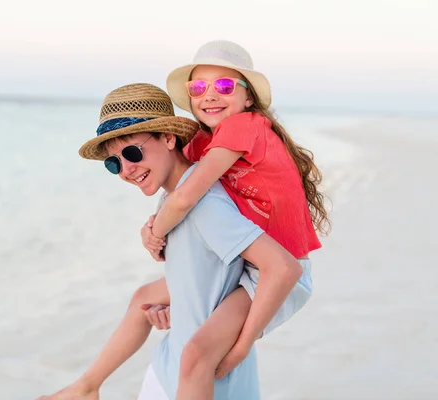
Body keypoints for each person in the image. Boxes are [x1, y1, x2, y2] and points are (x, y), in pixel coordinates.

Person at [38, 82, 303, 400]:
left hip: (202, 378)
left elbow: (280, 267)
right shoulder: (171, 201)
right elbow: (207, 275)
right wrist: (176, 302)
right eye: (114, 163)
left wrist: (241, 345)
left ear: (167, 138)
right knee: (143, 296)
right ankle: (87, 386)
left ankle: (87, 386)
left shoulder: (203, 203)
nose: (126, 169)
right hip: (169, 365)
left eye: (132, 152)